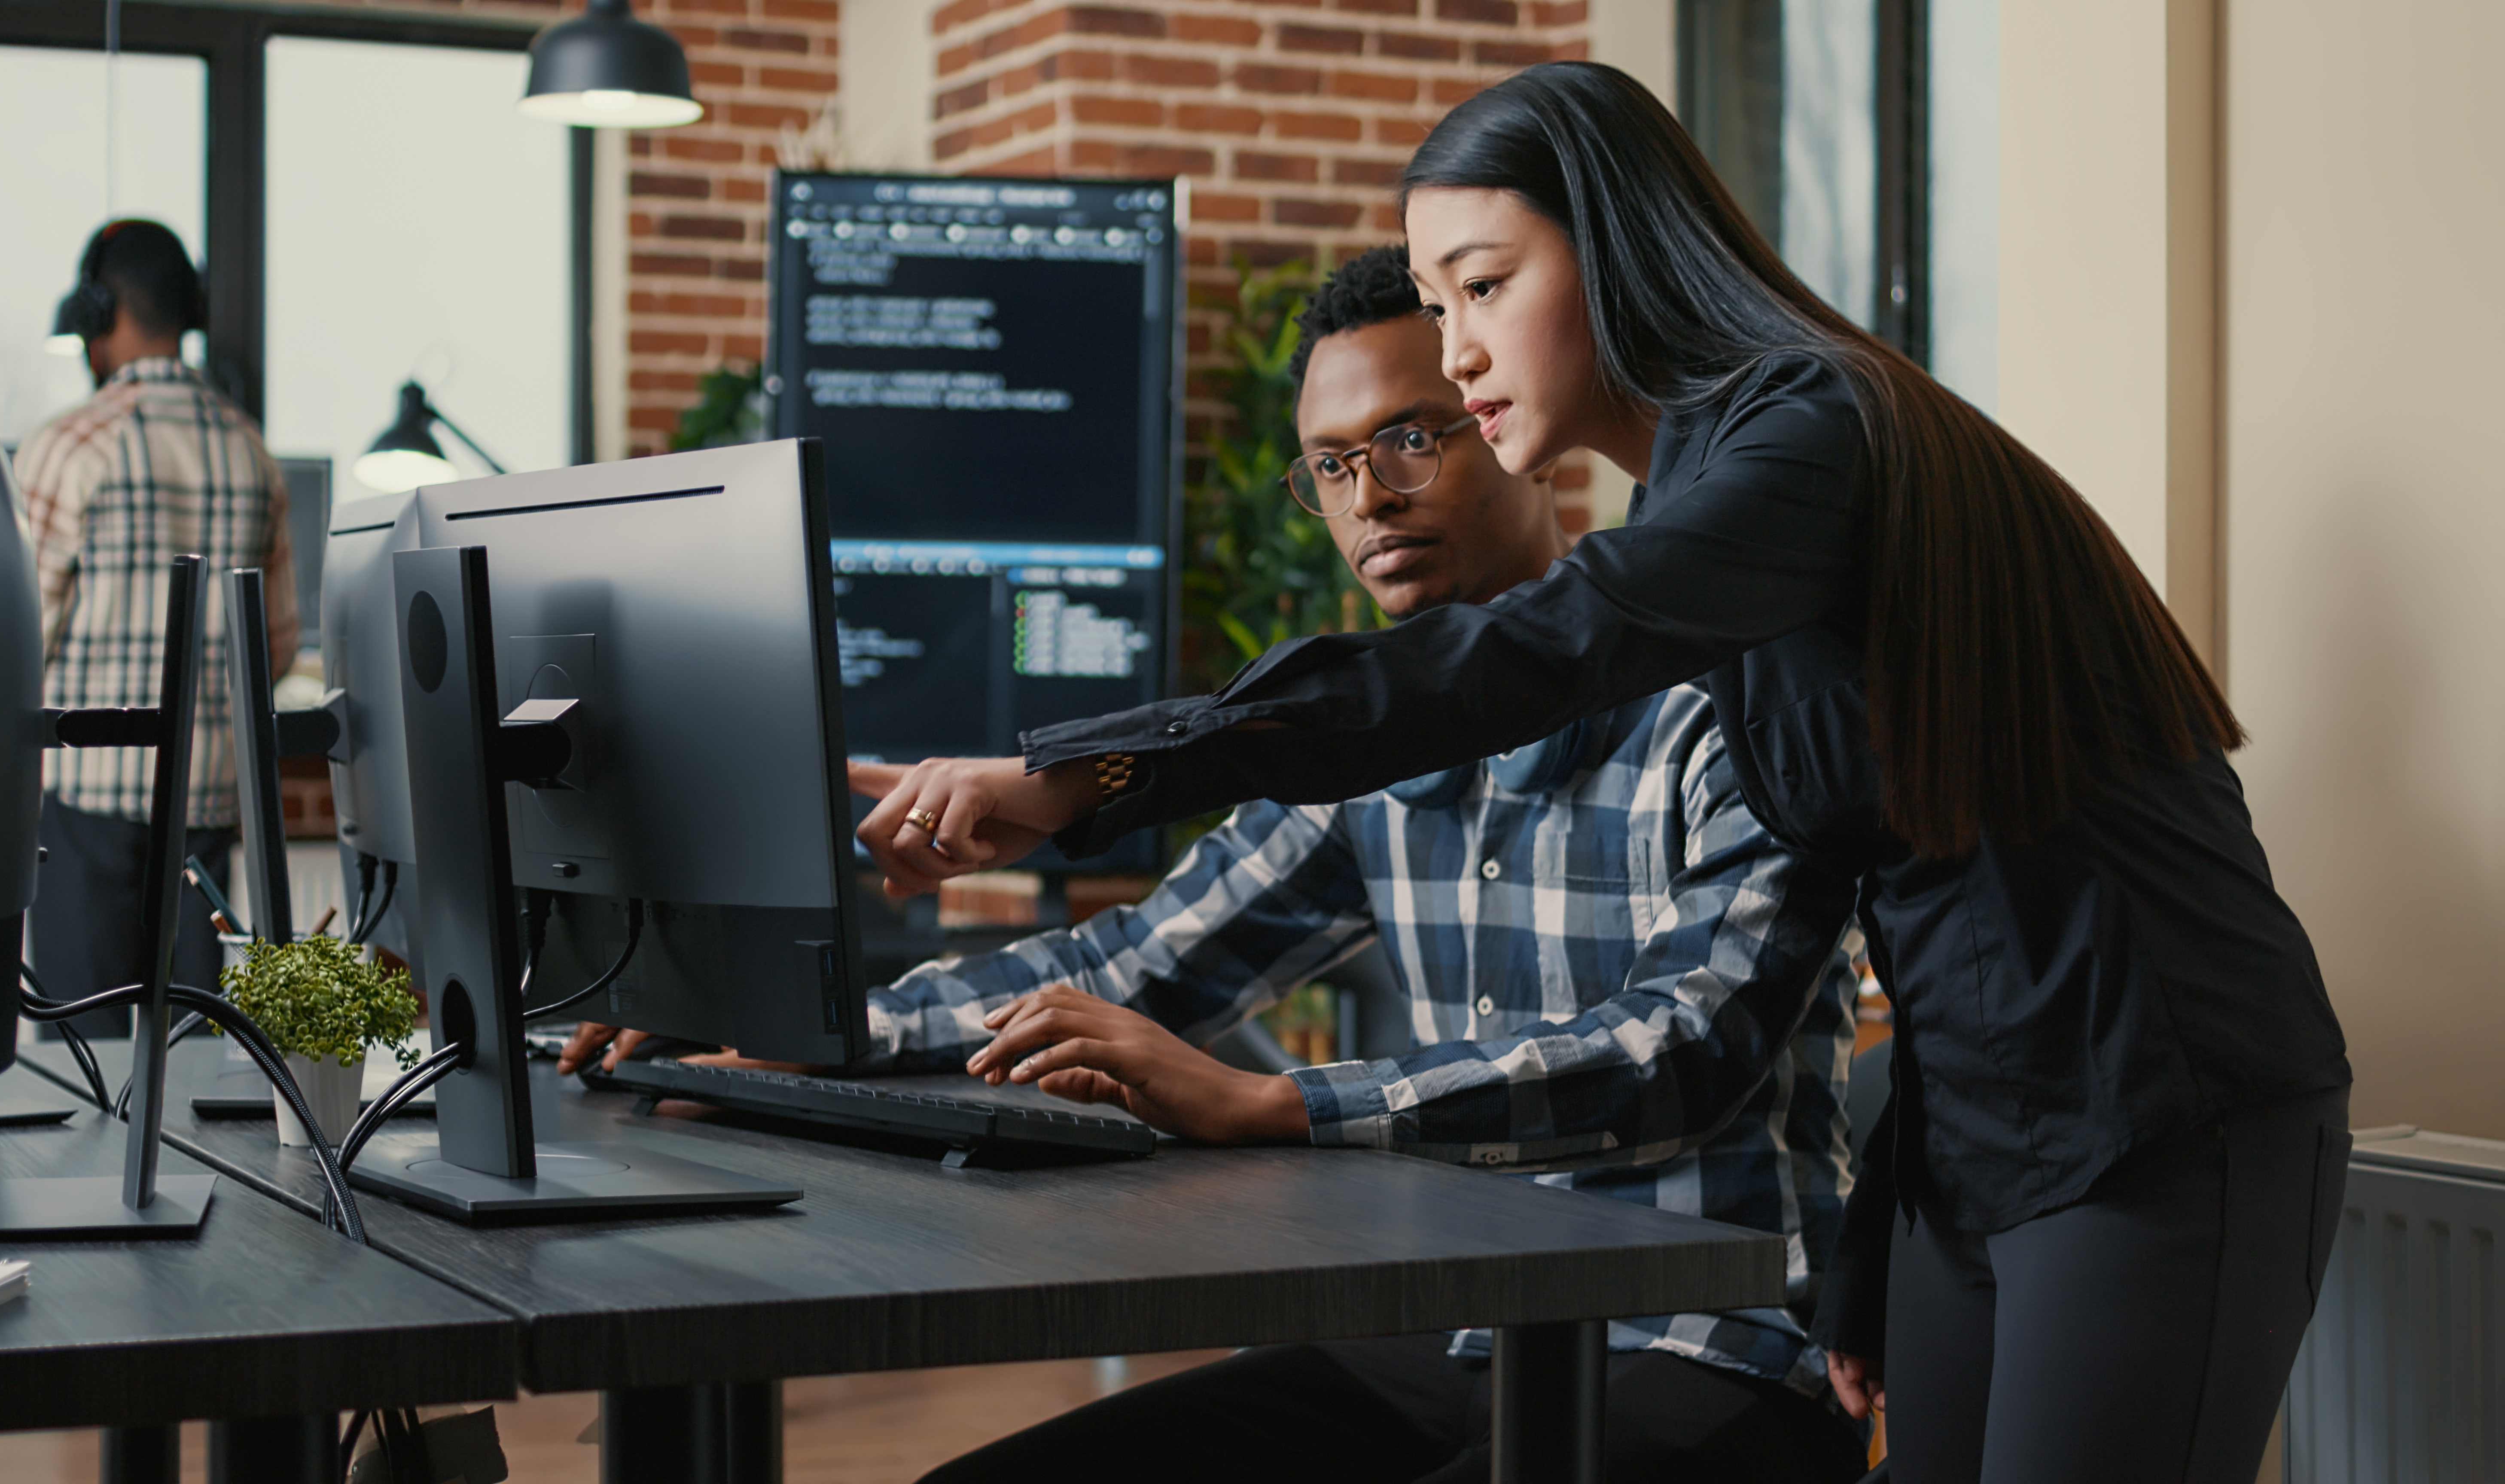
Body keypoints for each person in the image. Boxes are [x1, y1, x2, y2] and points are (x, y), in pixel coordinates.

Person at [845, 63, 2352, 1484]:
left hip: (2159, 1103)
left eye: (1484, 288)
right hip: (1969, 1137)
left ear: (1622, 249)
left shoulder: (1807, 434)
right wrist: (1887, 1227)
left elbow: (1532, 653)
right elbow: (1943, 900)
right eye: (1437, 306)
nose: (1457, 350)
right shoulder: (1723, 493)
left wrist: (1087, 772)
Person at [567, 246, 1872, 1484]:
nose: (1372, 497)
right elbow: (1128, 967)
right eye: (1332, 464)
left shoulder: (1726, 699)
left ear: (1512, 423)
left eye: (1414, 438)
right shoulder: (1364, 749)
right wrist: (790, 1031)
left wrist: (1279, 1102)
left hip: (1713, 1345)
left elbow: (1682, 1048)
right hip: (1452, 1328)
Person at [17, 219, 297, 1035]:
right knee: (195, 1075)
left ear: (99, 315)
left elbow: (16, 645)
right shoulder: (252, 453)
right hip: (203, 816)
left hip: (86, 810)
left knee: (84, 1075)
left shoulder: (69, 446)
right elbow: (273, 648)